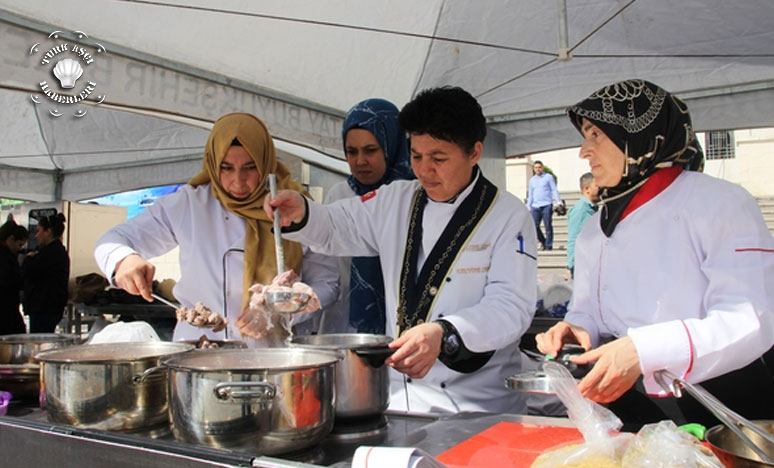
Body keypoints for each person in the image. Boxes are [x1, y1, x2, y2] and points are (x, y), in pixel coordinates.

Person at [263, 86, 538, 414]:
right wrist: (303, 212)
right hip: (400, 401)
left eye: (438, 158)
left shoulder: (508, 215)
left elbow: (510, 307)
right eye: (417, 156)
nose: (424, 170)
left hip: (479, 404)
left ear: (474, 152)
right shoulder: (397, 199)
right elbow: (339, 224)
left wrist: (445, 332)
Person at [536, 79, 774, 429]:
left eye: (596, 136)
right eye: (584, 137)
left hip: (716, 402)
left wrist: (644, 349)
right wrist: (577, 327)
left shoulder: (718, 203)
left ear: (639, 136)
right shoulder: (595, 225)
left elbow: (751, 318)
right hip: (629, 401)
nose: (584, 152)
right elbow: (590, 307)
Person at [94, 113, 338, 345]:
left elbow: (327, 284)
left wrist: (278, 312)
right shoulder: (188, 205)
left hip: (272, 352)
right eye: (227, 167)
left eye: (250, 167)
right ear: (212, 163)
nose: (238, 181)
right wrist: (124, 260)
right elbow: (114, 240)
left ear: (266, 162)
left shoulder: (293, 207)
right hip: (199, 349)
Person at [320, 98, 414, 334]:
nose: (360, 161)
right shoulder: (340, 195)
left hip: (404, 327)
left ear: (391, 145)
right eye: (352, 151)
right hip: (344, 327)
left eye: (371, 150)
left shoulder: (414, 194)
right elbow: (327, 269)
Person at [22, 213, 70, 333]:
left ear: (48, 231)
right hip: (49, 306)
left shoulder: (49, 254)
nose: (36, 235)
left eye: (39, 231)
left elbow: (28, 272)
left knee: (39, 340)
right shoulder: (56, 252)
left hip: (43, 307)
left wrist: (28, 259)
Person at [565, 172, 598, 278]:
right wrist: (571, 266)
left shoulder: (592, 209)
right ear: (587, 189)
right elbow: (574, 238)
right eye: (597, 186)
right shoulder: (580, 210)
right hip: (583, 266)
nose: (601, 188)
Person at [0, 221, 29, 335]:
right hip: (5, 308)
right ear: (11, 239)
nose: (19, 249)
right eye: (19, 245)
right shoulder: (5, 258)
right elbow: (9, 279)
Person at [526, 161, 562, 250]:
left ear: (542, 168)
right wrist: (528, 206)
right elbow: (530, 194)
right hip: (535, 206)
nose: (538, 169)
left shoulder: (548, 177)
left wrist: (558, 202)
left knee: (548, 225)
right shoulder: (532, 180)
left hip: (546, 204)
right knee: (535, 226)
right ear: (533, 169)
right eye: (536, 168)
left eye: (539, 167)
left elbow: (554, 189)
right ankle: (543, 241)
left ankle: (548, 245)